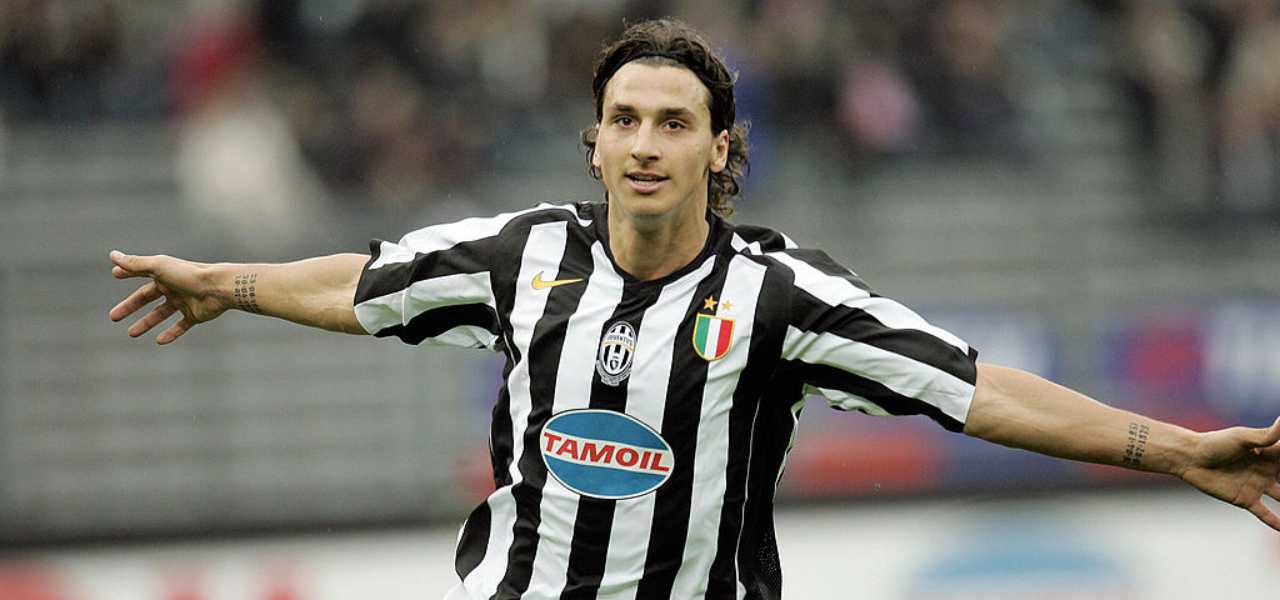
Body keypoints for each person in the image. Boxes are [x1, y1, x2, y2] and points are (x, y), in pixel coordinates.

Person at [108, 18, 1279, 600]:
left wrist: (1174, 448)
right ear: (593, 143)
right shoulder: (521, 255)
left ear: (719, 149)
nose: (644, 143)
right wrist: (226, 286)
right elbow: (359, 284)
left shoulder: (779, 295)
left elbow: (974, 391)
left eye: (673, 123)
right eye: (624, 119)